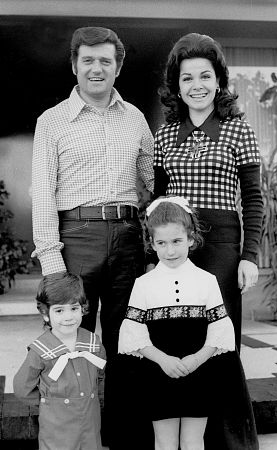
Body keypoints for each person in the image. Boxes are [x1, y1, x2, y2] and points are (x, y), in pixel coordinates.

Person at [31, 26, 154, 359]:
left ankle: (121, 411)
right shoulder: (51, 121)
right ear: (74, 65)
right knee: (72, 340)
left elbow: (154, 183)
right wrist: (51, 263)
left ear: (118, 67)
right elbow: (42, 193)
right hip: (76, 239)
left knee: (128, 338)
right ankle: (75, 410)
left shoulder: (136, 119)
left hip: (127, 238)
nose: (96, 69)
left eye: (105, 61)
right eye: (87, 60)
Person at [117, 197, 259, 450]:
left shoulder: (206, 280)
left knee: (193, 441)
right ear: (151, 243)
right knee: (164, 442)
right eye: (161, 243)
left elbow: (220, 330)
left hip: (199, 371)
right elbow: (133, 333)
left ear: (191, 239)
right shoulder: (144, 284)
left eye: (176, 241)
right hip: (159, 372)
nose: (170, 251)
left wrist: (196, 359)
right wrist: (163, 360)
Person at [153, 33, 263, 350]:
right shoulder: (165, 133)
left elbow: (253, 199)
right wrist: (153, 254)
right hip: (175, 244)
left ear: (218, 82)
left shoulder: (239, 130)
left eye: (205, 76)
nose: (196, 85)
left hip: (222, 245)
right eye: (187, 78)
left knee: (220, 339)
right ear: (177, 86)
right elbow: (158, 200)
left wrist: (250, 257)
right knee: (178, 336)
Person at [13, 272, 106, 450]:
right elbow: (22, 388)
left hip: (90, 423)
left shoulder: (93, 342)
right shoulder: (40, 350)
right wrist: (49, 400)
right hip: (57, 426)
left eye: (74, 308)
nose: (68, 316)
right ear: (45, 314)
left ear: (83, 309)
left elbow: (100, 375)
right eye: (59, 310)